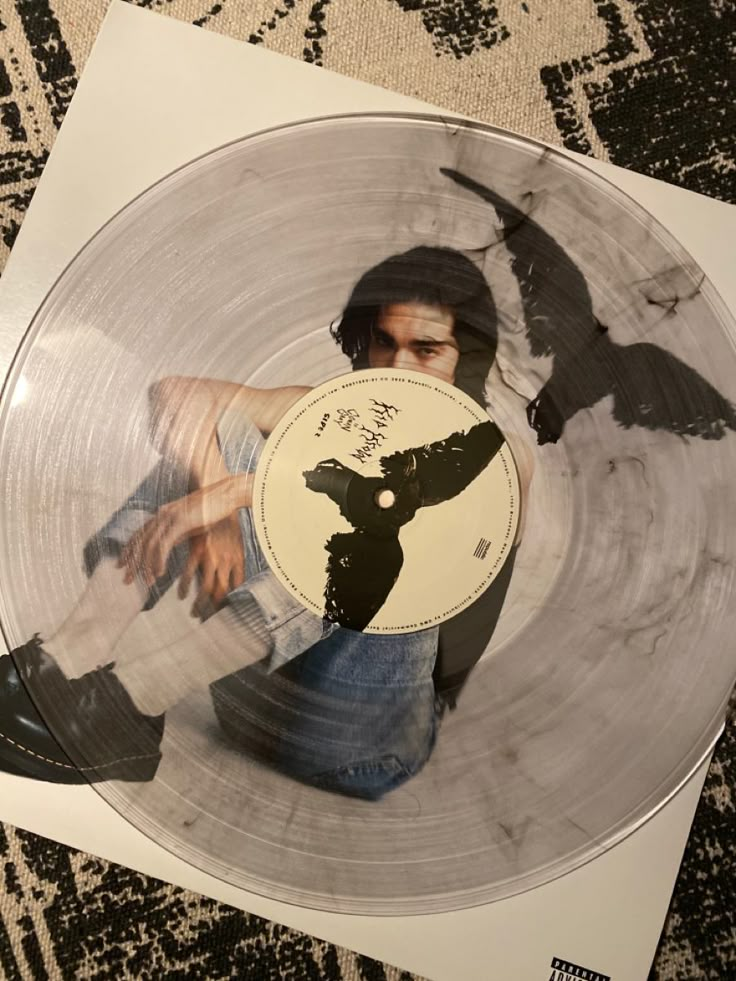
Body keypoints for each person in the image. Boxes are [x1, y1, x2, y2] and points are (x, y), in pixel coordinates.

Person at [0, 247, 533, 798]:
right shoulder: (333, 407)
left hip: (358, 744)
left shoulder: (503, 455)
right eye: (383, 342)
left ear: (466, 357)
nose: (397, 368)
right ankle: (63, 660)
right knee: (217, 441)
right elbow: (179, 394)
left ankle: (127, 699)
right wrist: (214, 501)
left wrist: (238, 492)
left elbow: (401, 511)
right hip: (254, 707)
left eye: (426, 349)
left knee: (374, 542)